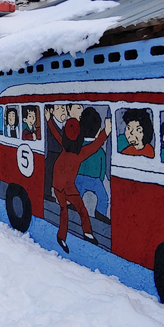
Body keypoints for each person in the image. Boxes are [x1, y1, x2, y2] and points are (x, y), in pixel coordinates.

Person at [47, 111, 112, 254]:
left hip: (57, 186)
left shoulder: (64, 146)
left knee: (64, 210)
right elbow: (95, 145)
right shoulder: (80, 153)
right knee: (82, 210)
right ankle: (87, 233)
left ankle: (61, 237)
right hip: (69, 189)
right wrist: (106, 132)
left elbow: (56, 134)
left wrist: (49, 120)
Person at [75, 107, 110, 222]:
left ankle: (74, 209)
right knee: (103, 197)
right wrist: (99, 178)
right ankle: (100, 215)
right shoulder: (99, 150)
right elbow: (103, 167)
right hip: (95, 180)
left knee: (76, 195)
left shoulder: (79, 146)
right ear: (98, 130)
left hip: (79, 177)